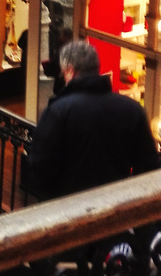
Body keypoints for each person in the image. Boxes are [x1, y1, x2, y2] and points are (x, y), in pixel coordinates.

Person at [27, 40, 159, 201]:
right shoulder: (132, 109)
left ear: (70, 71)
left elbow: (40, 167)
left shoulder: (58, 111)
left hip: (66, 207)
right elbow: (148, 166)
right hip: (115, 204)